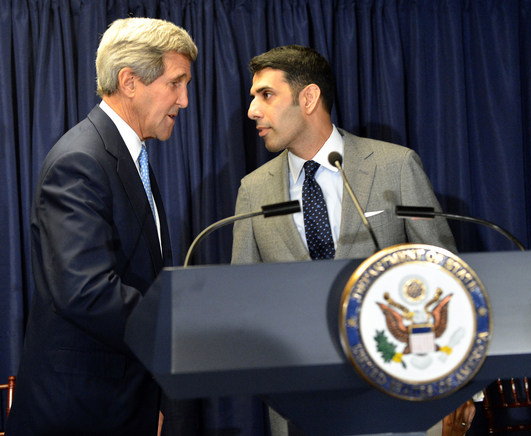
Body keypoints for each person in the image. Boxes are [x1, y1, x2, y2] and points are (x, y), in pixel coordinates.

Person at [231, 45, 475, 436]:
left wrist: (458, 384)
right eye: (253, 97)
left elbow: (445, 274)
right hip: (302, 405)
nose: (252, 111)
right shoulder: (253, 190)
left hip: (398, 394)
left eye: (266, 95)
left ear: (308, 97)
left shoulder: (395, 166)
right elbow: (244, 297)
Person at [6, 17, 197, 436]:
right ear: (129, 81)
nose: (184, 100)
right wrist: (183, 326)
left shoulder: (127, 156)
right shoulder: (81, 160)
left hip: (124, 403)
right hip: (80, 413)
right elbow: (86, 291)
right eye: (175, 83)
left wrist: (151, 399)